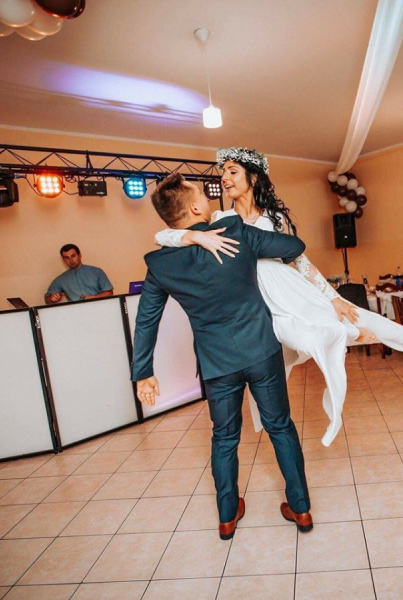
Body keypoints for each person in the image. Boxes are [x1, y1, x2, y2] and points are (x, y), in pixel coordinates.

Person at [155, 147, 403, 446]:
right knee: (304, 337)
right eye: (223, 172)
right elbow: (162, 236)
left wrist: (333, 297)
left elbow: (301, 260)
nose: (224, 177)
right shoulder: (220, 218)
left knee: (353, 313)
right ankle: (349, 335)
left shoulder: (275, 218)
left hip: (288, 286)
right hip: (255, 296)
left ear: (253, 178)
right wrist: (192, 235)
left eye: (232, 171)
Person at [133, 173, 312, 540]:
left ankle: (227, 516)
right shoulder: (237, 233)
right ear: (195, 208)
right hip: (260, 350)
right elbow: (294, 246)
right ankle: (301, 508)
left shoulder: (161, 264)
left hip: (216, 363)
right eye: (201, 193)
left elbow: (146, 320)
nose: (207, 195)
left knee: (224, 437)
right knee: (280, 427)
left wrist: (143, 372)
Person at [45, 244, 113, 304]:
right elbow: (47, 300)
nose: (71, 260)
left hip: (99, 308)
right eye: (67, 257)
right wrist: (53, 298)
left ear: (79, 255)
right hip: (75, 312)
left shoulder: (97, 272)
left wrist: (94, 297)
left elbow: (110, 293)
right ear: (63, 260)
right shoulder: (61, 280)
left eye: (73, 256)